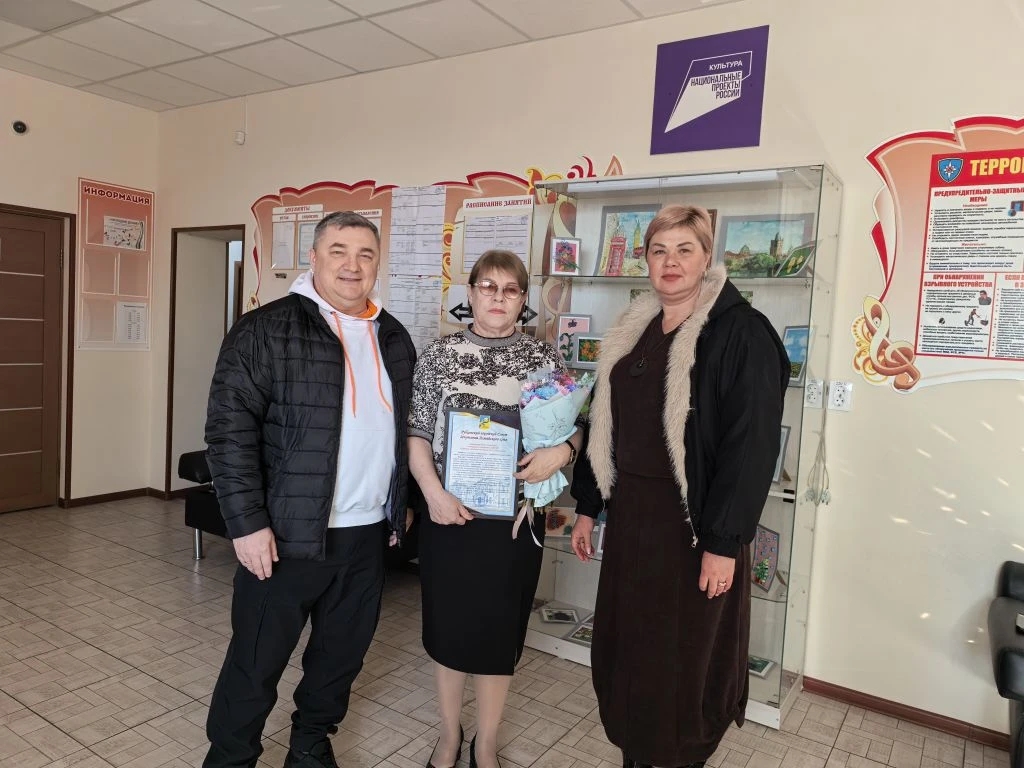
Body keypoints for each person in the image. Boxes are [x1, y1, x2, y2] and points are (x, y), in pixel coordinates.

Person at [569, 205, 788, 768]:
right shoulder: (635, 328)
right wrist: (589, 506)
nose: (671, 262)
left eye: (684, 249)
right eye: (659, 250)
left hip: (694, 528)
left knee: (682, 664)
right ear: (645, 260)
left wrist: (723, 543)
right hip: (632, 522)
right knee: (630, 651)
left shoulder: (740, 333)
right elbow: (604, 424)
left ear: (707, 257)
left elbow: (751, 447)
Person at [203, 211, 417, 768]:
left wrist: (402, 505)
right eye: (338, 251)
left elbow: (408, 432)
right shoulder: (265, 330)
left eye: (365, 254)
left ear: (378, 264)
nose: (352, 265)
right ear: (315, 257)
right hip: (284, 537)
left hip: (365, 535)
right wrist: (247, 525)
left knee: (339, 660)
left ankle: (309, 746)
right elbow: (229, 433)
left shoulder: (394, 336)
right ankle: (229, 758)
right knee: (255, 664)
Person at [408, 250, 582, 768]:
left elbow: (577, 427)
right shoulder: (439, 355)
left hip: (514, 525)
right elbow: (417, 436)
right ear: (471, 293)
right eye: (488, 286)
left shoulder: (542, 359)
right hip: (449, 518)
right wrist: (433, 495)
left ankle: (485, 741)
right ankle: (449, 735)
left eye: (510, 289)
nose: (498, 297)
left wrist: (562, 451)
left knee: (498, 634)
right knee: (448, 630)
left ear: (523, 299)